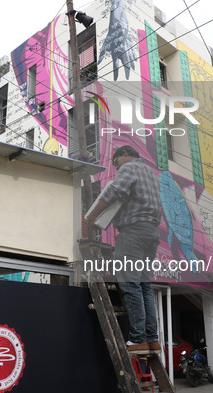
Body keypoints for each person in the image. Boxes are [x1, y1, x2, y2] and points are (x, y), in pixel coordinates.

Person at [85, 145, 162, 355]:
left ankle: (137, 339)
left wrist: (91, 217)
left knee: (130, 285)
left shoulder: (128, 168)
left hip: (133, 232)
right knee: (144, 286)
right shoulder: (150, 173)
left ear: (125, 155)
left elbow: (113, 191)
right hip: (152, 233)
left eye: (115, 161)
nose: (116, 166)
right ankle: (152, 339)